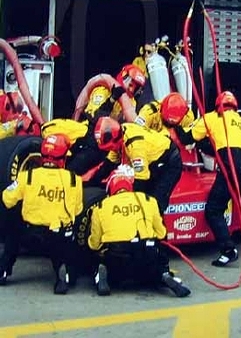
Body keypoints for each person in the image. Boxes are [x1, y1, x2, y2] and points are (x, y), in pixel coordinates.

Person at [174, 91, 241, 266]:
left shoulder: (212, 118)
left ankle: (228, 250)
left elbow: (186, 139)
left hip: (232, 162)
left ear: (218, 106)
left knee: (214, 209)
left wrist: (176, 124)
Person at [87, 164, 191, 297]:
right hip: (147, 256)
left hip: (118, 260)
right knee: (157, 259)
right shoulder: (149, 200)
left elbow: (94, 243)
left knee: (97, 258)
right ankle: (163, 275)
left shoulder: (101, 207)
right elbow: (161, 233)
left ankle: (101, 276)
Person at [0, 134, 83, 293]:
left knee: (13, 224)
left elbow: (6, 199)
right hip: (57, 236)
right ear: (63, 158)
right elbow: (77, 211)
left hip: (29, 233)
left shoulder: (27, 176)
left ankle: (4, 269)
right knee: (68, 243)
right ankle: (63, 273)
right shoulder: (74, 180)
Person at [92, 117, 182, 215]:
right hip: (152, 158)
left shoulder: (135, 147)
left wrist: (127, 200)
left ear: (115, 140)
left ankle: (158, 227)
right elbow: (109, 164)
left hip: (169, 161)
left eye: (110, 147)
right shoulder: (120, 133)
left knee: (153, 203)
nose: (110, 150)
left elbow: (142, 179)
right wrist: (91, 183)